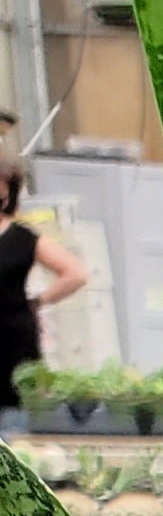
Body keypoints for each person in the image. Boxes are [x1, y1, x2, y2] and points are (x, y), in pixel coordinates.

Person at [0, 161, 89, 411]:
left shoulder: (22, 238)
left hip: (13, 341)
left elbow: (75, 273)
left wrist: (40, 300)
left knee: (14, 419)